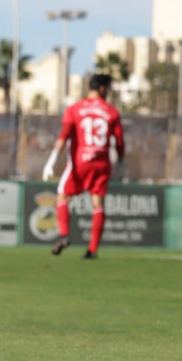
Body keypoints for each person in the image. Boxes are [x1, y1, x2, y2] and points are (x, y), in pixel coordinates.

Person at [42, 74, 125, 259]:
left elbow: (64, 135)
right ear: (103, 89)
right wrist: (121, 163)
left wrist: (51, 161)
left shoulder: (75, 109)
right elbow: (119, 141)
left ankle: (64, 235)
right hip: (102, 164)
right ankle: (92, 250)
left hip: (79, 163)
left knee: (62, 196)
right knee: (98, 203)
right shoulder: (111, 111)